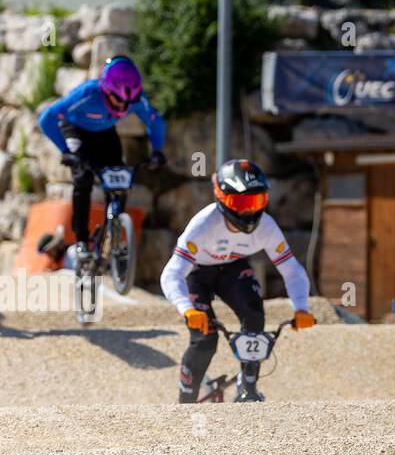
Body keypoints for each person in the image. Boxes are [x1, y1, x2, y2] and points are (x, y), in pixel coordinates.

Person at [160, 159, 316, 403]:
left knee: (254, 315)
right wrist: (187, 309)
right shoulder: (203, 224)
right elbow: (171, 274)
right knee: (205, 338)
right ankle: (186, 401)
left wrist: (301, 307)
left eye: (256, 202)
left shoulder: (267, 226)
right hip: (197, 273)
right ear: (222, 198)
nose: (249, 212)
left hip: (232, 269)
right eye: (241, 203)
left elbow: (292, 270)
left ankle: (248, 387)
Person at [37, 57, 166, 261]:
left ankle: (111, 236)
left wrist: (157, 150)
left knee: (119, 179)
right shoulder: (88, 93)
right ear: (106, 91)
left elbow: (155, 122)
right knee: (84, 178)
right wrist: (65, 150)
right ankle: (81, 241)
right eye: (118, 100)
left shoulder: (135, 99)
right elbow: (47, 119)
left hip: (104, 134)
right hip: (75, 131)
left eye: (128, 103)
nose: (124, 106)